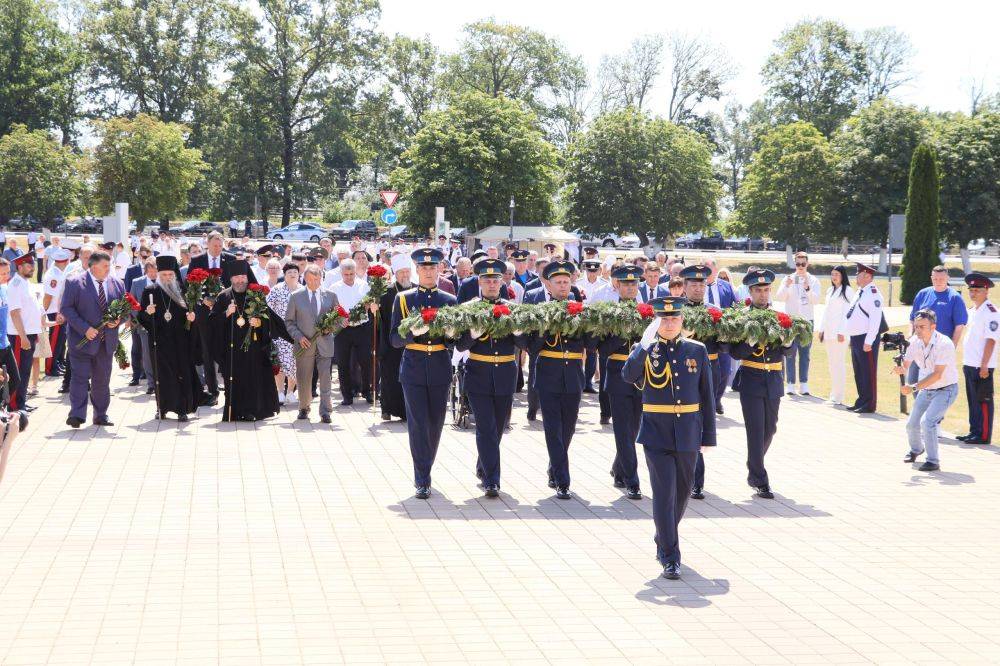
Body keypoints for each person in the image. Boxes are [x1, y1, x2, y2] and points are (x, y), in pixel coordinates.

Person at [622, 296, 716, 580]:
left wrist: (708, 436)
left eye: (674, 318)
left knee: (683, 492)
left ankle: (663, 534)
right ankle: (670, 556)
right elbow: (628, 375)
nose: (670, 323)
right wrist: (644, 345)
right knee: (664, 495)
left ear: (682, 320)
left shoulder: (697, 350)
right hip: (656, 432)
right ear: (656, 322)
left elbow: (706, 396)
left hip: (688, 430)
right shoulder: (647, 350)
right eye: (664, 319)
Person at [455, 259, 526, 497]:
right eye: (487, 280)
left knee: (497, 429)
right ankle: (492, 480)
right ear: (479, 282)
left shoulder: (512, 308)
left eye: (496, 280)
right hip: (479, 374)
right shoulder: (470, 308)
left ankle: (483, 465)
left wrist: (518, 333)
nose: (492, 284)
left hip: (505, 374)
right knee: (485, 428)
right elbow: (460, 344)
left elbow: (526, 344)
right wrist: (472, 335)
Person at [390, 248, 457, 500]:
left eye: (433, 267)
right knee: (418, 424)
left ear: (439, 269)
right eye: (424, 268)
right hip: (414, 367)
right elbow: (394, 339)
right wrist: (412, 333)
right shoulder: (404, 299)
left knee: (435, 424)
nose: (429, 272)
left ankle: (426, 465)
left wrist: (452, 334)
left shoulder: (448, 300)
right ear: (417, 270)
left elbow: (455, 341)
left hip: (439, 365)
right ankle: (422, 477)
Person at [526, 261, 590, 500]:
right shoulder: (541, 311)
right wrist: (544, 327)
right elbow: (531, 348)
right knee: (553, 429)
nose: (563, 286)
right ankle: (563, 480)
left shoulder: (580, 310)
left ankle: (555, 467)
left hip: (573, 374)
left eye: (566, 282)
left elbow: (590, 345)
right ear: (549, 286)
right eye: (558, 283)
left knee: (569, 428)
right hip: (549, 375)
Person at [729, 269, 784, 499]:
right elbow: (733, 352)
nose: (763, 294)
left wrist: (787, 341)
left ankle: (754, 463)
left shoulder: (779, 316)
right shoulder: (742, 317)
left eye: (766, 290)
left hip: (773, 379)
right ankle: (759, 478)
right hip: (751, 378)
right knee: (755, 430)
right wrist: (750, 342)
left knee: (770, 428)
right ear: (750, 293)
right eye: (758, 290)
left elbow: (787, 351)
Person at [210, 260, 288, 421]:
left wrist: (259, 322)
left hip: (254, 348)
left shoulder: (256, 295)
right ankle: (236, 412)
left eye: (243, 277)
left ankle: (255, 410)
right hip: (231, 350)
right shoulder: (223, 296)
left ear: (247, 277)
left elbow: (269, 319)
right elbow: (211, 323)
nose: (240, 280)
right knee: (235, 380)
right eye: (237, 277)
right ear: (231, 279)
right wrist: (226, 313)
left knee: (254, 378)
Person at [60, 251, 126, 428]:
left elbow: (125, 309)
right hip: (81, 342)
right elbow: (66, 309)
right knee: (79, 378)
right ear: (94, 266)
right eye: (106, 266)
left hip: (106, 343)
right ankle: (77, 415)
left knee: (102, 380)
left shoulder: (117, 284)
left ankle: (101, 415)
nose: (109, 269)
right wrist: (85, 329)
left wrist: (119, 320)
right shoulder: (74, 283)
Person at [596, 265, 645, 499]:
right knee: (623, 430)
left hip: (642, 377)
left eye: (634, 284)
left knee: (633, 430)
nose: (630, 288)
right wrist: (621, 333)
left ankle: (619, 468)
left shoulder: (646, 312)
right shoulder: (609, 313)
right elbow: (601, 349)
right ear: (617, 286)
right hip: (617, 375)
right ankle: (632, 480)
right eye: (626, 284)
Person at [893, 309, 959, 471]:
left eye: (922, 326)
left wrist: (913, 387)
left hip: (946, 389)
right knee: (911, 425)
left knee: (927, 422)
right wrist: (900, 368)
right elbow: (906, 364)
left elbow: (937, 375)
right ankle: (916, 449)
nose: (918, 330)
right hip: (927, 389)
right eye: (916, 326)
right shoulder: (915, 341)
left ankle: (933, 461)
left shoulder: (945, 344)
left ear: (933, 326)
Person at [138, 256, 202, 421]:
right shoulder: (150, 291)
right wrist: (148, 313)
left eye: (170, 275)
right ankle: (163, 408)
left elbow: (189, 316)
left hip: (180, 341)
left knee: (181, 374)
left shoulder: (182, 292)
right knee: (163, 376)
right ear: (158, 274)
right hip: (159, 341)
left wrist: (192, 318)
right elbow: (141, 317)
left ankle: (182, 409)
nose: (167, 278)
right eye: (164, 275)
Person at [680, 264, 724, 500]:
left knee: (703, 420)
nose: (698, 289)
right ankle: (691, 476)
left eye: (702, 284)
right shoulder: (676, 310)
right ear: (684, 287)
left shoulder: (714, 312)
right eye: (693, 284)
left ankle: (697, 480)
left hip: (710, 369)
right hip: (684, 371)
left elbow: (725, 346)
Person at [284, 264, 340, 423]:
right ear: (305, 279)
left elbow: (339, 318)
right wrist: (299, 337)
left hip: (325, 344)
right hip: (304, 344)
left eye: (317, 279)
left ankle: (325, 411)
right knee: (304, 378)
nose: (315, 282)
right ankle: (304, 407)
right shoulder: (296, 296)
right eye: (311, 279)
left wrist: (331, 327)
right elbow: (289, 322)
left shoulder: (330, 295)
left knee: (325, 377)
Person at [188, 232, 235, 402]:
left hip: (225, 312)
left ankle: (231, 390)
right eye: (215, 245)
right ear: (207, 244)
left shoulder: (229, 259)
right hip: (204, 313)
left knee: (226, 349)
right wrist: (202, 300)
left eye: (220, 246)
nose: (217, 249)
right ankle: (213, 392)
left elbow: (234, 284)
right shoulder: (197, 260)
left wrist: (221, 301)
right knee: (207, 352)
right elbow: (191, 286)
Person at [907, 265, 968, 385]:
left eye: (942, 279)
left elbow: (959, 326)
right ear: (931, 278)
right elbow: (912, 319)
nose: (938, 282)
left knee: (936, 384)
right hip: (918, 346)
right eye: (935, 279)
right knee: (913, 382)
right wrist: (910, 337)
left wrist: (952, 348)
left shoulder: (955, 297)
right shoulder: (922, 294)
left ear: (947, 278)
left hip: (939, 348)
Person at [957, 273, 998, 445]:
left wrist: (984, 366)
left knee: (983, 401)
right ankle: (974, 431)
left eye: (977, 290)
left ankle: (983, 435)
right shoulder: (973, 310)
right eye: (971, 290)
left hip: (982, 365)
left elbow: (991, 340)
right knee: (973, 400)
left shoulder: (991, 312)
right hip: (970, 362)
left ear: (986, 291)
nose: (973, 293)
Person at [328, 259, 375, 405]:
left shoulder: (364, 285)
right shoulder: (334, 288)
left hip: (362, 328)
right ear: (341, 273)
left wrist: (369, 305)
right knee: (343, 364)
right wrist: (339, 320)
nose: (349, 277)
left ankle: (367, 391)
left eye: (351, 274)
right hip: (343, 330)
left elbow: (370, 304)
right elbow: (331, 308)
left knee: (366, 362)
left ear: (355, 272)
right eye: (346, 274)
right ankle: (346, 395)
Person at [775, 252, 821, 395]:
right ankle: (790, 384)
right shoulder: (788, 278)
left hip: (807, 321)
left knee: (805, 353)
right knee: (789, 352)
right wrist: (787, 286)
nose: (800, 267)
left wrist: (807, 288)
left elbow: (816, 300)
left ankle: (804, 383)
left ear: (807, 264)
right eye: (798, 264)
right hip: (791, 321)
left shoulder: (813, 280)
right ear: (795, 264)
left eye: (803, 264)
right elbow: (780, 297)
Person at [843, 263, 885, 414]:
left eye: (858, 274)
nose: (856, 276)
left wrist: (869, 341)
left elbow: (875, 320)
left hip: (866, 339)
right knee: (858, 372)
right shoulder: (861, 291)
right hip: (856, 337)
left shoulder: (873, 294)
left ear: (867, 276)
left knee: (868, 372)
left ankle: (869, 404)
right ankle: (861, 400)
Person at [6, 253, 42, 411]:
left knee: (25, 370)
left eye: (33, 265)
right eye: (29, 265)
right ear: (19, 267)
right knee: (18, 371)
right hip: (20, 335)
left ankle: (21, 402)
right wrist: (23, 337)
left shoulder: (26, 283)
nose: (32, 268)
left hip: (29, 334)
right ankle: (14, 405)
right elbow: (15, 313)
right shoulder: (15, 285)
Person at [378, 253, 411, 421]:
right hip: (391, 343)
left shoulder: (416, 289)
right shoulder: (386, 293)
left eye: (407, 272)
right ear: (395, 273)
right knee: (390, 377)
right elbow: (381, 322)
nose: (405, 275)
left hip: (412, 343)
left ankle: (407, 411)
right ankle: (387, 409)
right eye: (401, 272)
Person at [816, 266, 854, 406]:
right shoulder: (830, 290)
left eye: (837, 274)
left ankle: (838, 397)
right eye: (832, 274)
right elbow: (826, 312)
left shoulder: (848, 291)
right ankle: (833, 394)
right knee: (832, 365)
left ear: (843, 276)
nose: (834, 277)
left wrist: (842, 331)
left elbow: (848, 314)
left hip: (840, 335)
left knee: (839, 364)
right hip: (829, 333)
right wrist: (821, 329)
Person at [266, 264, 300, 405]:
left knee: (295, 363)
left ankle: (291, 391)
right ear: (284, 275)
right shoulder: (277, 289)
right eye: (289, 272)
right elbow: (267, 308)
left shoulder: (303, 290)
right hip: (279, 332)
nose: (292, 274)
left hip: (297, 333)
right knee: (279, 364)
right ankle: (280, 391)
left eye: (295, 272)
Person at [128, 259, 158, 393]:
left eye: (155, 271)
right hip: (143, 324)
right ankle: (151, 383)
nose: (152, 274)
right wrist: (141, 317)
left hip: (161, 324)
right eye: (150, 271)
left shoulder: (164, 280)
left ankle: (162, 380)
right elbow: (131, 302)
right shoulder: (137, 282)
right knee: (147, 354)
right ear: (145, 271)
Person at [41, 247, 71, 377]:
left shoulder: (59, 272)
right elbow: (48, 296)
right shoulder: (54, 275)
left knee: (60, 340)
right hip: (54, 312)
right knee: (54, 340)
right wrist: (44, 313)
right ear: (66, 261)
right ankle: (50, 368)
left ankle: (57, 363)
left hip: (59, 311)